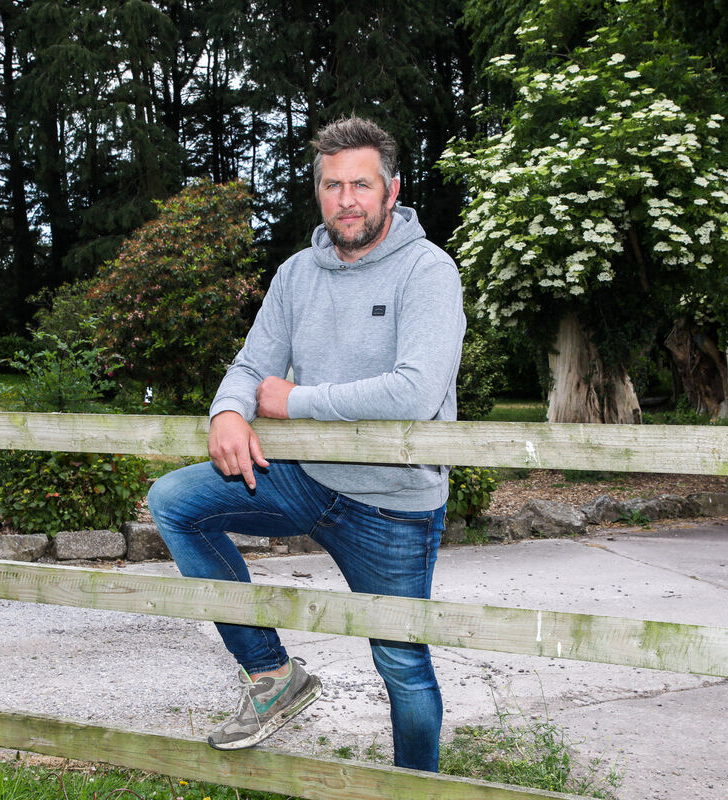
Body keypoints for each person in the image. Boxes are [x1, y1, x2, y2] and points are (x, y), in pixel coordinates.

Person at [146, 116, 465, 772]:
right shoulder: (297, 275)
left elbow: (413, 393)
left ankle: (416, 791)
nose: (346, 198)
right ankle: (271, 676)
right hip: (306, 476)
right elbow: (249, 365)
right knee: (175, 502)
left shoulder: (428, 272)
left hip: (393, 502)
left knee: (401, 663)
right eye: (332, 184)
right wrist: (227, 414)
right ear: (317, 192)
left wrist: (293, 403)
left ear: (392, 191)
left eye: (361, 184)